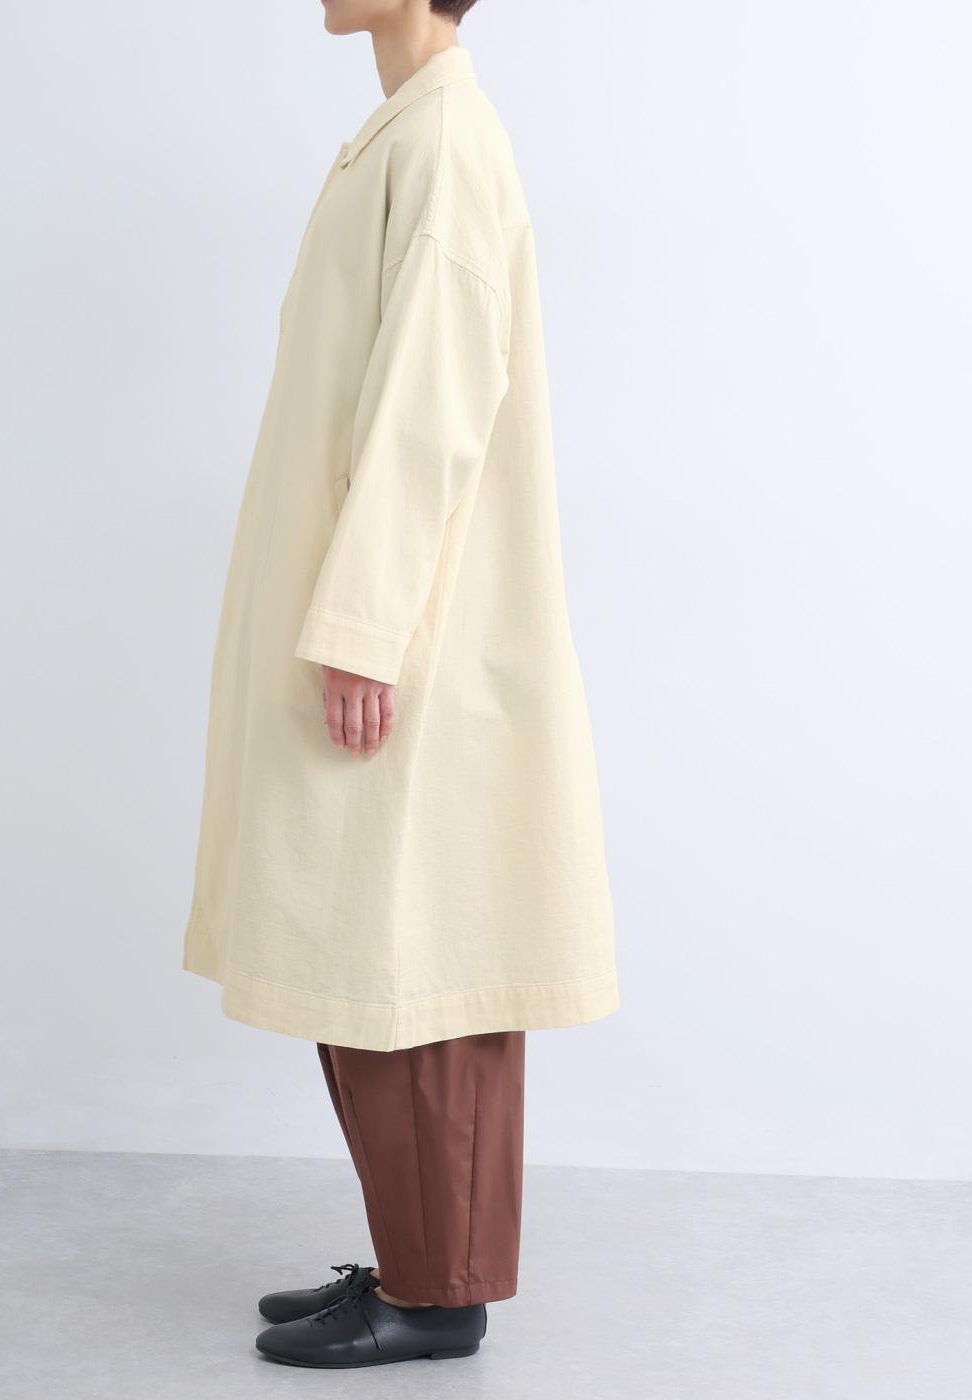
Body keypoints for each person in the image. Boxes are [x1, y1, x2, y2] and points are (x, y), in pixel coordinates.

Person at [181, 0, 618, 1368]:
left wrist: (366, 625)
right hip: (382, 615)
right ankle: (420, 1257)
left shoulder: (446, 142)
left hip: (415, 634)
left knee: (418, 958)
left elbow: (431, 401)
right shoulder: (404, 134)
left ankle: (438, 1294)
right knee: (370, 953)